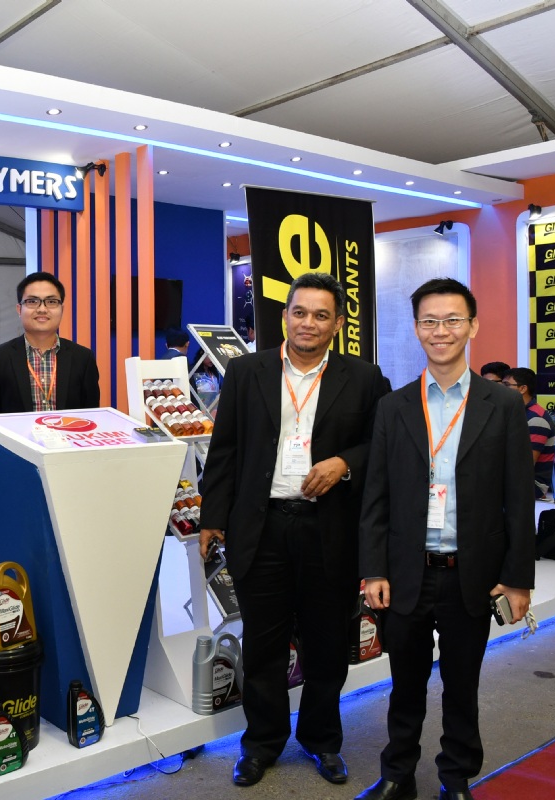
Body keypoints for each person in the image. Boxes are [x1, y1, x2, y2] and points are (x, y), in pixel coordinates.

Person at [198, 272, 390, 788]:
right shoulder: (247, 371)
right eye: (299, 312)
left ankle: (322, 740)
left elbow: (382, 444)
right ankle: (261, 743)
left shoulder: (364, 378)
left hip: (330, 530)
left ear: (338, 323)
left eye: (321, 315)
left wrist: (344, 464)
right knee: (264, 645)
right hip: (261, 528)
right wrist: (213, 517)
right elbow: (225, 449)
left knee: (328, 645)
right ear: (284, 316)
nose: (308, 323)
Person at [357, 278, 535, 800]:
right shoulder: (393, 406)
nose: (441, 331)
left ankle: (455, 778)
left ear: (472, 326)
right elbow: (376, 496)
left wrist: (517, 579)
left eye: (453, 320)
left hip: (471, 574)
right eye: (430, 321)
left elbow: (519, 498)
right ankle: (397, 775)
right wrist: (374, 569)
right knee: (404, 685)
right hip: (406, 573)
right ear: (416, 329)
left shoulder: (501, 404)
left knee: (462, 685)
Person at [0, 272, 100, 414]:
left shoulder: (83, 358)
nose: (42, 309)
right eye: (32, 301)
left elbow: (91, 415)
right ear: (19, 309)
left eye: (51, 302)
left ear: (62, 309)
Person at [502, 367, 555, 499]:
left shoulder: (537, 419)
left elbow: (526, 463)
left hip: (532, 483)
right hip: (514, 477)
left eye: (507, 385)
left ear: (522, 389)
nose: (502, 389)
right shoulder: (516, 412)